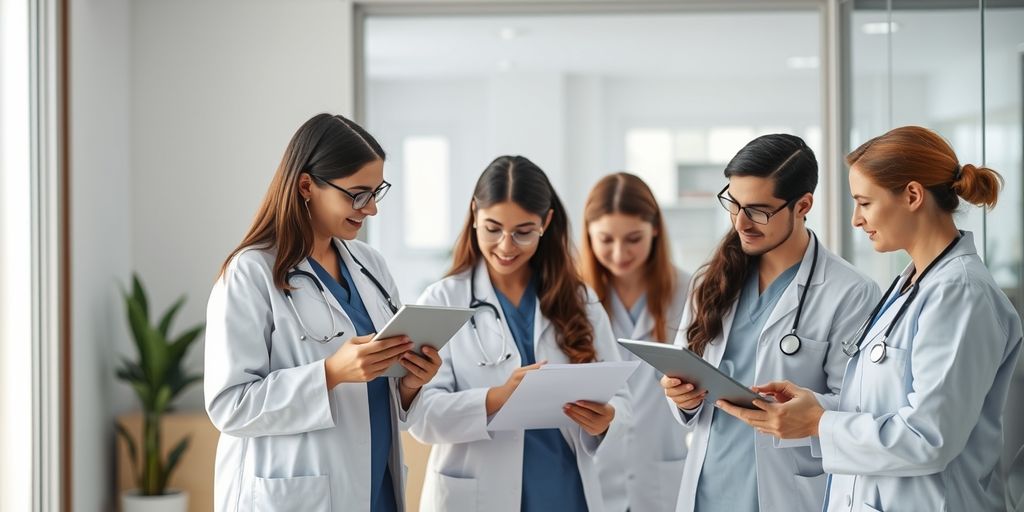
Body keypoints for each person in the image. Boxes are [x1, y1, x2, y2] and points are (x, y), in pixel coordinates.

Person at [719, 126, 1024, 512]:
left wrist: (819, 424)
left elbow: (929, 437)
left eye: (864, 203)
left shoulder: (960, 293)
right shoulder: (912, 283)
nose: (856, 220)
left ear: (912, 195)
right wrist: (816, 407)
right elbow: (884, 409)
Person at [204, 113, 442, 512]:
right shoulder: (251, 272)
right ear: (306, 186)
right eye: (357, 194)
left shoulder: (370, 265)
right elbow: (230, 406)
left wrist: (410, 383)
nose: (370, 210)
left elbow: (382, 397)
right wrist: (331, 373)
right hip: (300, 492)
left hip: (375, 483)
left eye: (375, 192)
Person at [660, 134, 880, 512]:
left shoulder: (850, 292)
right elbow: (689, 393)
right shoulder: (709, 282)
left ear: (802, 206)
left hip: (785, 493)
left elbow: (860, 407)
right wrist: (680, 396)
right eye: (734, 203)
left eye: (759, 210)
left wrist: (807, 412)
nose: (741, 222)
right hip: (709, 487)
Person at [407, 155, 632, 512]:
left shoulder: (578, 299)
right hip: (477, 496)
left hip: (564, 491)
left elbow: (622, 398)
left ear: (546, 222)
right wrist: (497, 397)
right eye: (492, 228)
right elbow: (422, 418)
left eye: (523, 232)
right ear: (474, 215)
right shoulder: (443, 300)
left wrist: (607, 419)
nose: (506, 246)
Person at [580, 172, 692, 512]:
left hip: (663, 476)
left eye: (633, 238)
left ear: (655, 228)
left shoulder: (690, 293)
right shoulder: (574, 302)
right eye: (606, 239)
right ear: (588, 235)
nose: (619, 253)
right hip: (597, 472)